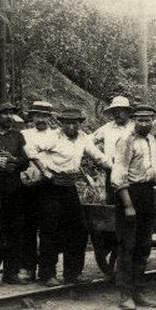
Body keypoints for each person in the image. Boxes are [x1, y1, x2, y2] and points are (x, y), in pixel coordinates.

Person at [29, 107, 110, 287]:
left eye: (74, 123)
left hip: (69, 186)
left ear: (79, 123)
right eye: (67, 123)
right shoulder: (53, 137)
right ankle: (47, 274)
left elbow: (98, 156)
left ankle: (73, 273)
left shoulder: (83, 138)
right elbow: (30, 149)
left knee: (79, 230)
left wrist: (115, 168)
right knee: (50, 230)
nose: (71, 126)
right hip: (51, 186)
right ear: (61, 123)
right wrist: (44, 170)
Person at [112, 105, 156, 310]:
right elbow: (118, 176)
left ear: (153, 121)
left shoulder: (152, 140)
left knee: (143, 246)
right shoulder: (125, 141)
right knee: (128, 247)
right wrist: (128, 205)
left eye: (148, 120)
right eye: (141, 120)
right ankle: (126, 295)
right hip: (130, 194)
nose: (145, 123)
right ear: (134, 120)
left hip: (147, 193)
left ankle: (139, 291)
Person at [0, 101, 30, 285]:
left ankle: (11, 273)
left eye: (11, 114)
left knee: (15, 230)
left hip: (15, 190)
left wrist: (14, 160)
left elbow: (25, 162)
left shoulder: (17, 136)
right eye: (5, 114)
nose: (9, 117)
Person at [89, 96, 134, 278]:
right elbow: (88, 142)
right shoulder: (106, 129)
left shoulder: (135, 127)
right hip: (113, 171)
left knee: (132, 209)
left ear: (128, 112)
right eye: (115, 111)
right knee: (114, 208)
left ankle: (129, 242)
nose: (118, 113)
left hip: (133, 173)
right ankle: (116, 241)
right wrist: (104, 160)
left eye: (121, 110)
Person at [20, 100, 58, 282]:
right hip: (28, 186)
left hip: (50, 187)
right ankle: (28, 268)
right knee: (27, 228)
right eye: (37, 115)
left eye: (44, 116)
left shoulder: (57, 135)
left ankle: (48, 272)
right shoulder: (24, 134)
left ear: (50, 118)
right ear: (32, 117)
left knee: (49, 229)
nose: (41, 119)